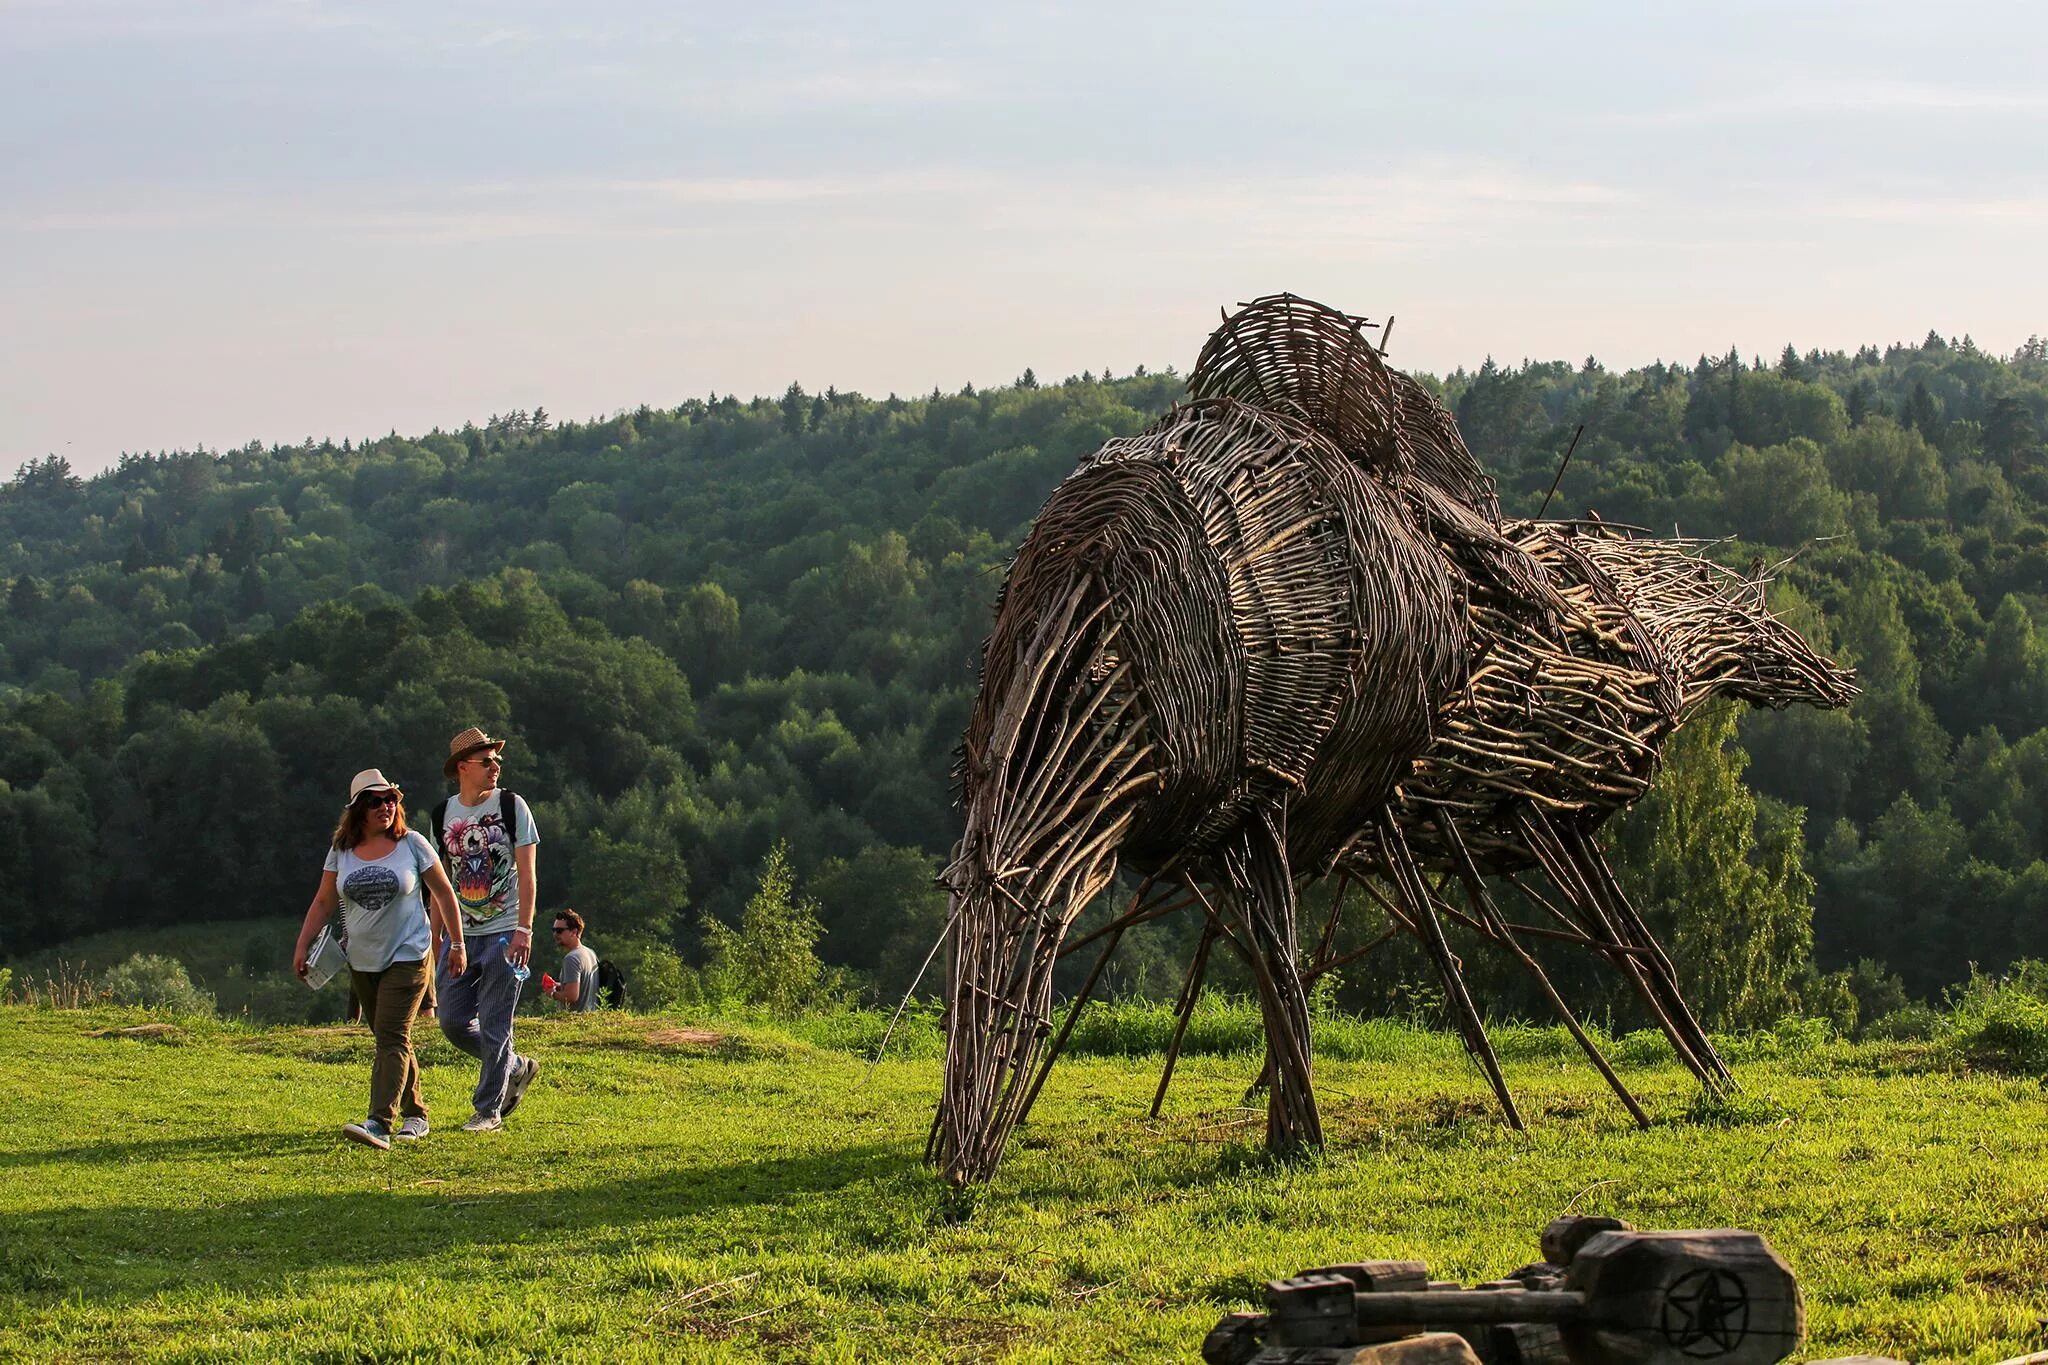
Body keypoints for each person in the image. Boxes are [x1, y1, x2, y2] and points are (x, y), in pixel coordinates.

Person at [293, 768, 464, 1150]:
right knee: (391, 1037)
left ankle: (379, 1122)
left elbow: (444, 894)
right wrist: (302, 946)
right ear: (358, 810)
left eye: (390, 799)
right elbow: (323, 901)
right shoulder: (341, 851)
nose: (385, 806)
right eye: (375, 801)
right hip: (362, 961)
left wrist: (456, 944)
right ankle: (417, 1114)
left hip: (408, 956)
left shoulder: (413, 844)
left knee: (391, 1035)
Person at [428, 727, 541, 1133]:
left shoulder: (512, 806)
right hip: (460, 936)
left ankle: (488, 1110)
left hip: (505, 932)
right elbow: (440, 883)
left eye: (497, 760)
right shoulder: (442, 815)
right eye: (486, 761)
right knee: (453, 1022)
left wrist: (524, 930)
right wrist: (437, 933)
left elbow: (527, 875)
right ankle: (514, 1066)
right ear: (462, 768)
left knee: (496, 1024)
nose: (495, 767)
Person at [545, 909, 599, 1012]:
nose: (555, 934)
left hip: (575, 1022)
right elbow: (583, 987)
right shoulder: (590, 953)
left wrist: (552, 993)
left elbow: (571, 997)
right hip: (591, 1019)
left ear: (574, 932)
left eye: (559, 931)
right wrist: (560, 986)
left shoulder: (571, 959)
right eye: (554, 930)